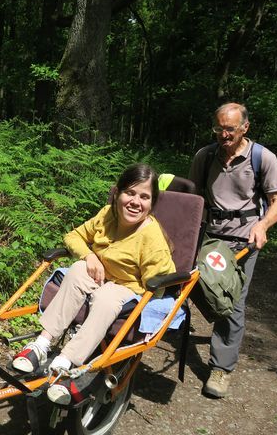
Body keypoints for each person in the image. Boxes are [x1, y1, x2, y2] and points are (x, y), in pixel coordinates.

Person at [11, 163, 175, 405]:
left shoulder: (151, 236)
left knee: (107, 297)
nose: (135, 202)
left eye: (144, 197)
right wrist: (89, 256)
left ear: (151, 204)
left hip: (129, 286)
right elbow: (73, 236)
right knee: (78, 269)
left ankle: (66, 361)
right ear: (117, 193)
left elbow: (160, 281)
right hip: (98, 275)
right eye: (130, 192)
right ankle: (41, 345)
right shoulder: (107, 214)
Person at [189, 102, 277, 398]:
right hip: (210, 236)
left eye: (230, 128)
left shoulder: (262, 158)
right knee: (190, 286)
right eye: (219, 128)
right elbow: (191, 198)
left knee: (231, 301)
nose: (223, 134)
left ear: (245, 127)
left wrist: (262, 226)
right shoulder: (204, 157)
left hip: (244, 240)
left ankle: (222, 367)